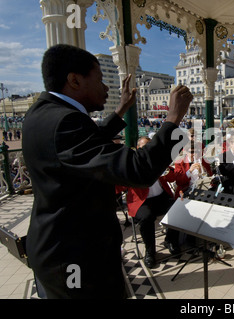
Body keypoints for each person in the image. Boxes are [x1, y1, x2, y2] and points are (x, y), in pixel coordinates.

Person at [22, 44, 192, 299]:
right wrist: (172, 119)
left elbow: (86, 144)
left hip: (56, 249)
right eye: (100, 79)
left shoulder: (44, 113)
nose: (106, 88)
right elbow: (139, 170)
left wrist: (121, 109)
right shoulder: (65, 122)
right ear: (74, 80)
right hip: (74, 259)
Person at [115, 137, 181, 269]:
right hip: (141, 201)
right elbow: (118, 186)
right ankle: (150, 252)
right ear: (139, 149)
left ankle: (170, 240)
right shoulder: (132, 164)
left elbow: (172, 176)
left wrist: (165, 172)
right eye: (145, 147)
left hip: (160, 197)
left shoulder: (157, 160)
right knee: (147, 217)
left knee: (178, 208)